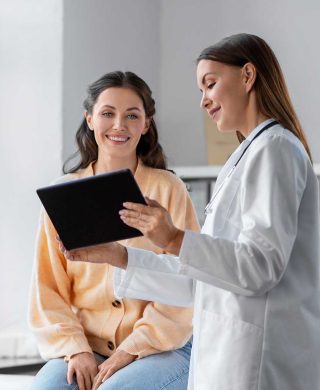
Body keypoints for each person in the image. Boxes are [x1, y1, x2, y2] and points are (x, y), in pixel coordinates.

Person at [61, 34, 320, 390]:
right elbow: (201, 281)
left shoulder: (275, 150)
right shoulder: (245, 157)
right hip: (227, 354)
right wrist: (118, 256)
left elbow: (260, 268)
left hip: (260, 360)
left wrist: (174, 238)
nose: (203, 101)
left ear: (247, 76)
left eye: (210, 84)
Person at [29, 71, 200, 390]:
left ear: (146, 124)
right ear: (90, 118)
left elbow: (187, 285)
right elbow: (47, 289)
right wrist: (75, 349)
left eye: (131, 115)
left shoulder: (169, 190)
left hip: (163, 347)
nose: (119, 125)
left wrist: (129, 351)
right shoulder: (62, 195)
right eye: (108, 113)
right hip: (85, 346)